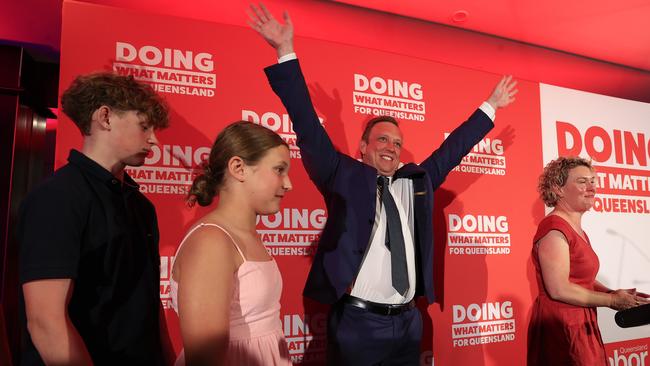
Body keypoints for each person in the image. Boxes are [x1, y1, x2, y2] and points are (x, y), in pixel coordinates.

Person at [248, 4, 518, 364]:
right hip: (358, 325)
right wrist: (285, 52)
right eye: (381, 140)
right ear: (363, 148)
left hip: (409, 323)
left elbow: (453, 149)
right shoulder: (340, 175)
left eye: (396, 142)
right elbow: (308, 127)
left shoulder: (416, 181)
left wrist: (491, 106)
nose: (391, 147)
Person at [18, 72, 173, 365]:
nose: (154, 140)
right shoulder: (57, 198)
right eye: (144, 126)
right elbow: (45, 323)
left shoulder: (141, 206)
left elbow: (149, 306)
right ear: (105, 117)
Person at [170, 121, 293, 366]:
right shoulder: (211, 242)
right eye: (279, 170)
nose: (288, 184)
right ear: (238, 168)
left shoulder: (246, 235)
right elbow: (205, 359)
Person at [527, 156, 650, 366]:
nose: (592, 188)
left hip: (580, 322)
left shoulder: (578, 231)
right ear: (558, 188)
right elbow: (559, 289)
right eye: (582, 181)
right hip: (562, 327)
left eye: (593, 181)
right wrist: (611, 301)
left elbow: (582, 279)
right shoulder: (554, 229)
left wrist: (614, 293)